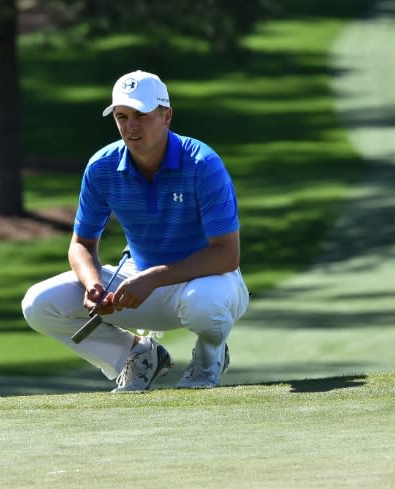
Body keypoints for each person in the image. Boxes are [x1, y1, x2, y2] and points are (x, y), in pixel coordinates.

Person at [21, 70, 250, 392]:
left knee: (203, 304)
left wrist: (153, 277)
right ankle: (139, 355)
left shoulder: (202, 163)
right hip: (138, 281)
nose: (131, 126)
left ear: (166, 115)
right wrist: (92, 284)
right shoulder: (102, 166)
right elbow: (82, 243)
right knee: (39, 303)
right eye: (121, 116)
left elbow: (227, 254)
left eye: (141, 115)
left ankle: (208, 359)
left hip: (209, 281)